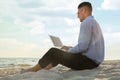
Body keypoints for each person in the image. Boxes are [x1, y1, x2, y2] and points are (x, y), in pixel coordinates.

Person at [21, 2, 104, 73]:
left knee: (53, 51)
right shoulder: (94, 23)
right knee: (60, 52)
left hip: (88, 63)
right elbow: (88, 46)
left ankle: (33, 70)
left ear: (84, 10)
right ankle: (45, 69)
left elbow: (83, 47)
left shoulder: (86, 23)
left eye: (78, 13)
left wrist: (69, 50)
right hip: (94, 62)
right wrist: (69, 48)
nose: (77, 16)